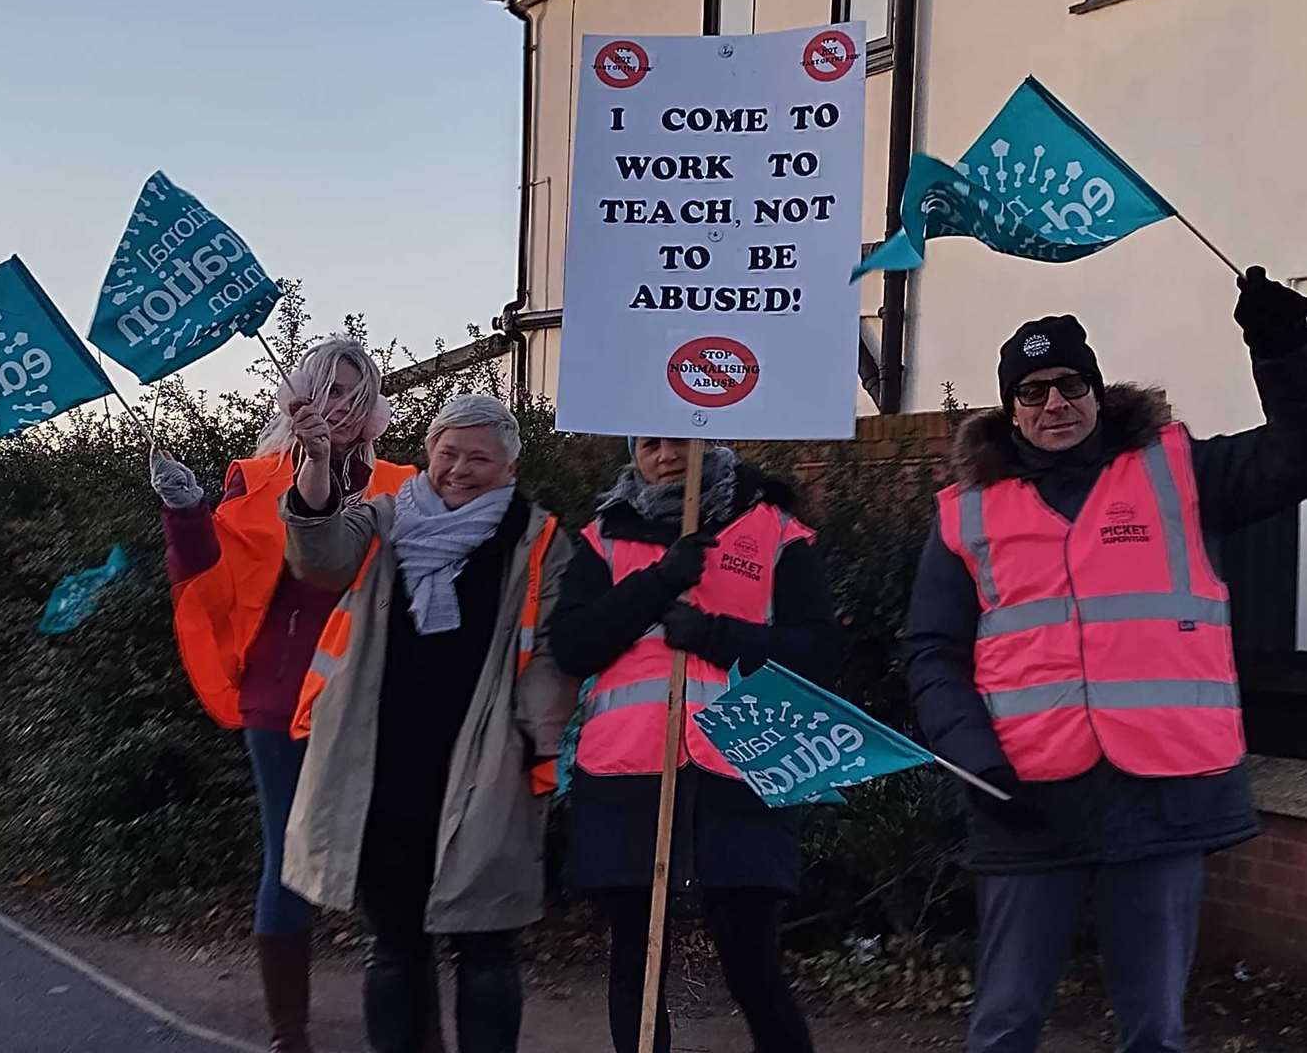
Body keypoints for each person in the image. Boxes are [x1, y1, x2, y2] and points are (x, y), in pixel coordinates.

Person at [903, 267, 1307, 1053]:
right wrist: (978, 766)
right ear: (1010, 409)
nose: (1054, 403)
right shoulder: (966, 515)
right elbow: (931, 653)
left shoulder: (1179, 473)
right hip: (1024, 800)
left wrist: (1285, 350)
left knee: (1154, 1027)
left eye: (1070, 384)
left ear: (1097, 390)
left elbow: (1298, 455)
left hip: (1159, 797)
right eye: (1032, 391)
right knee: (1005, 1022)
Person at [277, 393, 575, 1053]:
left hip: (490, 763)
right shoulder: (385, 517)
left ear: (510, 469)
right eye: (448, 454)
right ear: (427, 456)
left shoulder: (540, 538)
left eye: (479, 459)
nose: (460, 470)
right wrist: (318, 467)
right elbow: (318, 557)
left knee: (488, 949)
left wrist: (538, 737)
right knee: (393, 949)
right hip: (382, 770)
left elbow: (553, 648)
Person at [151, 338, 426, 1053]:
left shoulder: (407, 481)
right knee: (289, 856)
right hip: (282, 690)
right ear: (299, 397)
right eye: (326, 390)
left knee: (390, 853)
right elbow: (216, 579)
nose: (337, 405)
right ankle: (289, 1035)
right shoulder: (258, 476)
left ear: (372, 410)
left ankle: (411, 1027)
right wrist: (184, 513)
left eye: (352, 394)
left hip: (379, 692)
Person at [550, 437, 842, 1053]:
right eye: (650, 444)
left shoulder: (773, 531)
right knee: (638, 958)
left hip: (746, 766)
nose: (666, 456)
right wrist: (659, 582)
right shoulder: (602, 538)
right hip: (629, 770)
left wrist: (716, 634)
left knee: (750, 958)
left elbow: (818, 654)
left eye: (679, 440)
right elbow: (574, 646)